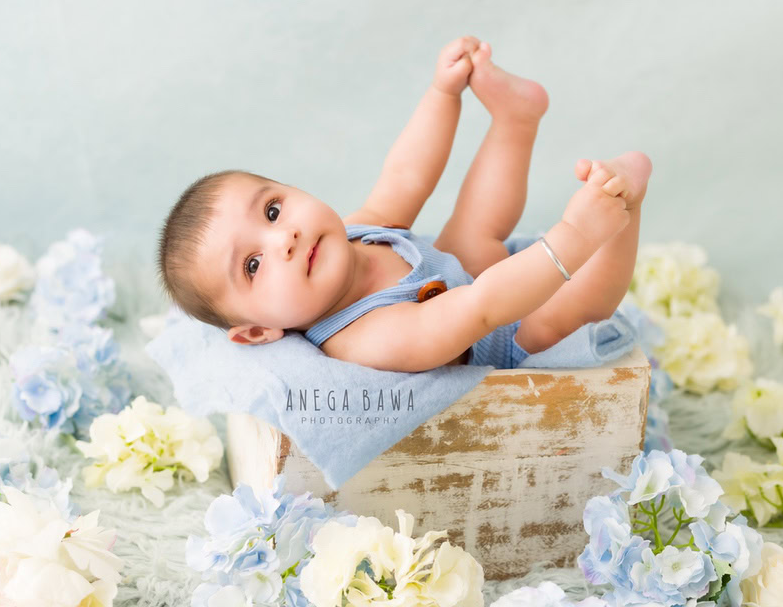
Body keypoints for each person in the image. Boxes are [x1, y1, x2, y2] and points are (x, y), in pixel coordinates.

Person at [156, 36, 651, 373]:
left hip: (469, 275)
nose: (282, 239)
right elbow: (480, 310)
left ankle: (515, 118)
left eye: (272, 211)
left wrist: (443, 94)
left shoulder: (351, 236)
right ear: (259, 330)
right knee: (562, 316)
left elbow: (406, 176)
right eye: (253, 264)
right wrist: (574, 234)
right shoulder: (363, 338)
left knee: (474, 230)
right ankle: (623, 204)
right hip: (502, 340)